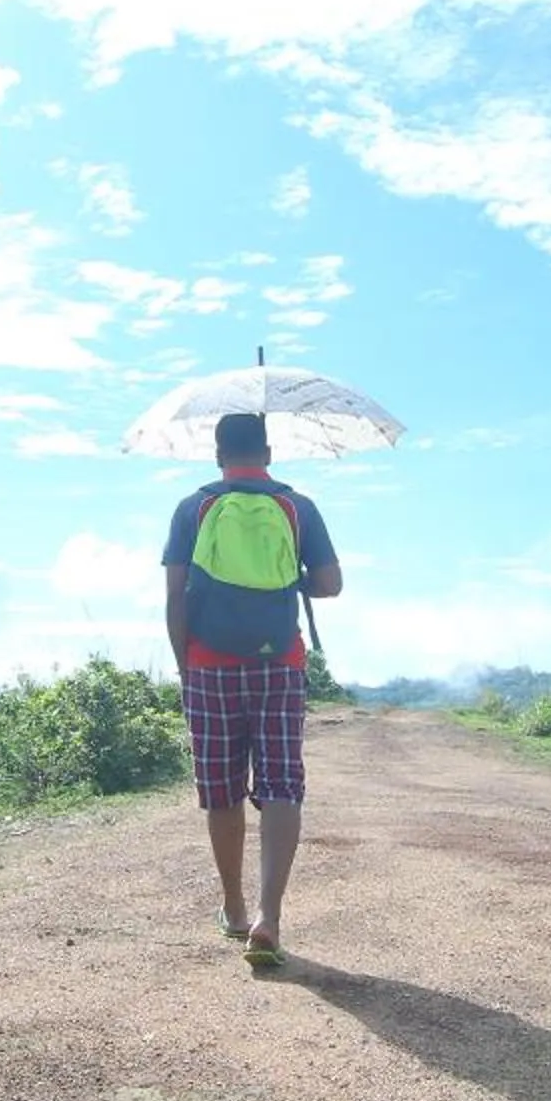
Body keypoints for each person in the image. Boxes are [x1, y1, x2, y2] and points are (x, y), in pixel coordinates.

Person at [162, 412, 342, 968]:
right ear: (268, 450)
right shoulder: (296, 506)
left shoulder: (193, 507)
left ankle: (234, 908)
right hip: (279, 664)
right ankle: (270, 916)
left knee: (221, 788)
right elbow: (331, 583)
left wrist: (185, 667)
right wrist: (294, 579)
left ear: (217, 453)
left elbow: (174, 598)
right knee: (281, 783)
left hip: (209, 665)